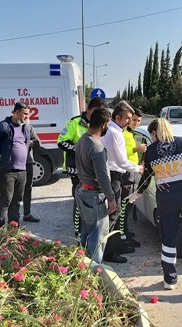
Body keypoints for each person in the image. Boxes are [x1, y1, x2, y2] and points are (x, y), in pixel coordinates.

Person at [132, 118, 182, 295]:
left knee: (168, 239)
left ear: (154, 133)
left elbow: (146, 178)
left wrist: (138, 193)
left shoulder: (150, 151)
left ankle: (169, 280)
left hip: (166, 199)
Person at [57, 97, 108, 239]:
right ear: (91, 110)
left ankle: (88, 234)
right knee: (79, 203)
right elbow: (61, 142)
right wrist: (80, 150)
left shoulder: (99, 126)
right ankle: (79, 235)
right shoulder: (75, 122)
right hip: (77, 170)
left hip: (93, 172)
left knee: (91, 207)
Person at [100, 101, 144, 263]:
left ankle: (114, 247)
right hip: (114, 177)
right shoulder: (115, 133)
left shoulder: (113, 130)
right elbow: (120, 161)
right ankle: (110, 252)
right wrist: (139, 168)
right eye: (127, 118)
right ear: (117, 117)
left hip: (114, 175)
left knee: (114, 214)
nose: (129, 122)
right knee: (113, 214)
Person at [74, 107, 117, 264]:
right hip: (93, 196)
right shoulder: (97, 147)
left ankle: (82, 268)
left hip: (82, 192)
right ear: (104, 125)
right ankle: (94, 275)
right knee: (97, 239)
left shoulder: (82, 140)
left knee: (86, 234)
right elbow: (103, 177)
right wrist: (111, 199)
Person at [0, 102, 31, 228]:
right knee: (6, 199)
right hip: (6, 170)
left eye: (28, 114)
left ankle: (14, 227)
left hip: (22, 169)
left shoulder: (25, 128)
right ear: (16, 112)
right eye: (24, 113)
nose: (27, 117)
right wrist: (2, 157)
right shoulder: (3, 126)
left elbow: (26, 144)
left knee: (17, 200)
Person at [120, 106, 146, 246]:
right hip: (124, 173)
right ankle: (122, 236)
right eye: (134, 120)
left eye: (138, 121)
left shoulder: (131, 133)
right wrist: (136, 148)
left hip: (132, 171)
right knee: (124, 205)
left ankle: (125, 231)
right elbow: (121, 154)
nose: (136, 123)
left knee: (128, 205)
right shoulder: (123, 133)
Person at [21, 122, 41, 223]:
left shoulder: (29, 127)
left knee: (28, 188)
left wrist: (28, 143)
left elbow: (37, 142)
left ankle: (27, 214)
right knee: (15, 190)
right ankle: (13, 217)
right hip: (15, 163)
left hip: (28, 161)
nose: (26, 117)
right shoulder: (12, 127)